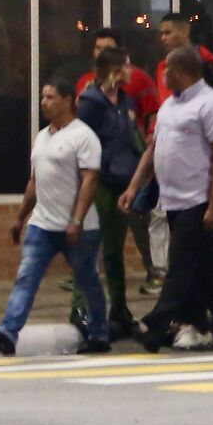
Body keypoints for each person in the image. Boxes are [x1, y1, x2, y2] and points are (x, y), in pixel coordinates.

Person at [119, 45, 213, 353]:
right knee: (204, 267)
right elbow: (152, 150)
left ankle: (155, 324)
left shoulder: (211, 104)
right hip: (172, 200)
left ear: (182, 71)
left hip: (198, 199)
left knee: (180, 266)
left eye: (167, 70)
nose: (163, 75)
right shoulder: (169, 106)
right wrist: (134, 188)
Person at [0, 80, 108, 355]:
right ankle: (8, 333)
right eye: (43, 97)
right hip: (42, 224)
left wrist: (76, 220)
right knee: (26, 278)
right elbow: (34, 182)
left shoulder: (83, 136)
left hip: (79, 228)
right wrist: (20, 217)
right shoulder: (42, 137)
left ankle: (100, 332)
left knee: (87, 281)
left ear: (68, 101)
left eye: (51, 97)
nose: (44, 102)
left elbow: (90, 181)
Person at [75, 46, 146, 338]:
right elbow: (79, 141)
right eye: (127, 66)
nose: (131, 71)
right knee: (89, 245)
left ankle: (119, 307)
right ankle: (81, 307)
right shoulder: (91, 102)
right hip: (99, 182)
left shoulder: (125, 100)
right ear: (114, 69)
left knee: (115, 250)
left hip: (121, 182)